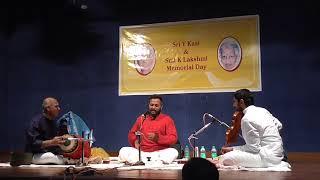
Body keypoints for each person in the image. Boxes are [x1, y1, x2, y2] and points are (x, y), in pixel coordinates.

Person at [214, 89, 290, 168]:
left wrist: (233, 149)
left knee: (226, 158)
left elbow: (253, 149)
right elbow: (279, 125)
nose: (234, 105)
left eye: (234, 102)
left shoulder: (247, 119)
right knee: (229, 155)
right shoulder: (263, 111)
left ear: (241, 102)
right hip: (279, 153)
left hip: (266, 158)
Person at [118, 95, 179, 164]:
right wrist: (135, 141)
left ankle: (143, 162)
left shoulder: (167, 119)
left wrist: (158, 138)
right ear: (148, 105)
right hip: (142, 153)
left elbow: (173, 138)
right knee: (123, 150)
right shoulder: (141, 119)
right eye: (151, 105)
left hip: (158, 153)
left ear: (161, 107)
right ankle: (151, 162)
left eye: (156, 105)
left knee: (173, 152)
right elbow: (131, 134)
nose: (153, 107)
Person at [25, 97, 67, 164]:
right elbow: (33, 144)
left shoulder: (54, 123)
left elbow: (56, 146)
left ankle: (66, 160)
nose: (59, 109)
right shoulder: (36, 122)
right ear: (48, 108)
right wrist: (52, 142)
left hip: (50, 154)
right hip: (35, 155)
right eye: (56, 106)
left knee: (65, 155)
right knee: (50, 156)